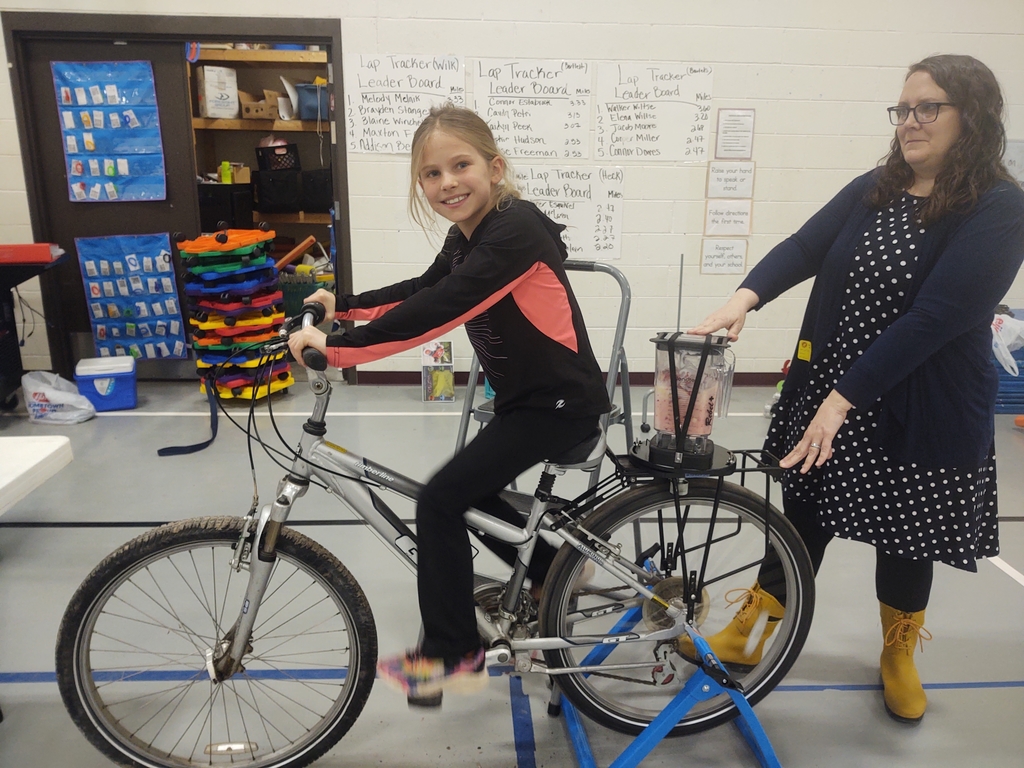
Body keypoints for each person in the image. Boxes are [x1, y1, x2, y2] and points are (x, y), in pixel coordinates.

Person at [687, 54, 1024, 723]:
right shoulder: (878, 186)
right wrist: (743, 299)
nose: (910, 121)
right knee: (803, 513)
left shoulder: (1000, 206)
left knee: (906, 534)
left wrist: (843, 400)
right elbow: (804, 247)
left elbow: (935, 318)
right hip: (833, 388)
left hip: (919, 406)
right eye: (903, 109)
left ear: (974, 117)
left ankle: (898, 654)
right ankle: (753, 628)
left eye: (928, 107)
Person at [287, 104, 610, 699]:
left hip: (559, 404)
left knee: (440, 500)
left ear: (494, 168)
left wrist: (338, 350)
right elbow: (424, 289)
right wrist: (343, 305)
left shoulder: (516, 230)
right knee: (470, 492)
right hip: (524, 402)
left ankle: (452, 651)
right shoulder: (466, 237)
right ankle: (552, 570)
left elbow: (442, 309)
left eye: (461, 166)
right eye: (431, 174)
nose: (447, 183)